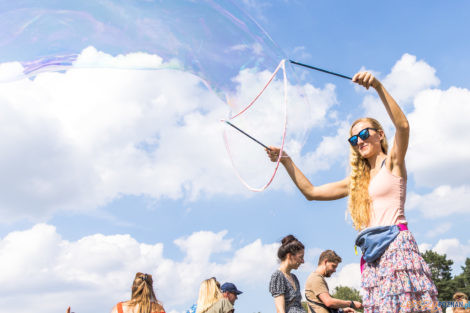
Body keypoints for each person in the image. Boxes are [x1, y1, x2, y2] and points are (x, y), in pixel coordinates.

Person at [267, 72, 440, 313]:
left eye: (364, 134)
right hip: (373, 256)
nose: (359, 141)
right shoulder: (355, 182)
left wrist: (378, 86)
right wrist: (286, 160)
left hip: (397, 248)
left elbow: (402, 126)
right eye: (353, 139)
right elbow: (311, 192)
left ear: (380, 134)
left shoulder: (392, 163)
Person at [269, 234, 306, 313]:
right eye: (301, 257)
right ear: (290, 256)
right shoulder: (278, 276)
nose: (303, 261)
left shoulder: (294, 277)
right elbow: (280, 310)